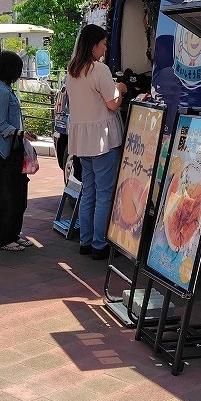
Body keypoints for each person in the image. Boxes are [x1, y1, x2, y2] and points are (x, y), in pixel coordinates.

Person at [66, 24, 126, 260]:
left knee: (88, 192)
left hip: (83, 141)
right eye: (102, 44)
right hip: (102, 141)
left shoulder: (72, 70)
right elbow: (112, 104)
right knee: (104, 194)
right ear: (93, 46)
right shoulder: (99, 69)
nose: (104, 49)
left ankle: (86, 241)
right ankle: (100, 245)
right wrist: (120, 89)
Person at [0, 51, 33, 252]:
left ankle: (13, 234)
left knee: (16, 195)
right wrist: (20, 133)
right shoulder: (2, 92)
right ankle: (5, 239)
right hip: (3, 153)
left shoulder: (2, 88)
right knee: (7, 197)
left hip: (9, 150)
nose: (20, 73)